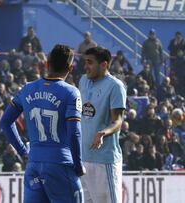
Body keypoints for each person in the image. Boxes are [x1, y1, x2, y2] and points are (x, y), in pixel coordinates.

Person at [1, 44, 85, 203]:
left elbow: (6, 122)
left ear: (47, 64)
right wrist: (79, 164)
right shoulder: (71, 92)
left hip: (34, 165)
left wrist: (23, 151)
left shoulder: (27, 89)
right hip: (61, 165)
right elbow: (74, 133)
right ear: (70, 68)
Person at [79, 47, 126, 203]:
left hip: (104, 161)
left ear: (104, 64)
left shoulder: (115, 86)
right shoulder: (83, 81)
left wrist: (102, 133)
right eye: (85, 62)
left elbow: (118, 121)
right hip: (83, 159)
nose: (86, 66)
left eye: (90, 63)